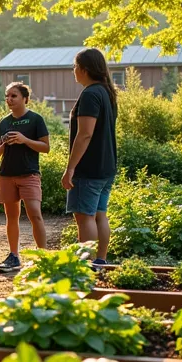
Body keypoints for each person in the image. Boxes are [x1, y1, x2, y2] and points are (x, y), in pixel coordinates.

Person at [62, 47, 118, 266]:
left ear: (84, 69)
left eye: (75, 67)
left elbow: (85, 134)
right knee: (99, 215)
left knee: (85, 218)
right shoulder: (106, 92)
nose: (73, 71)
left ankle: (86, 266)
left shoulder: (90, 94)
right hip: (106, 167)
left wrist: (70, 168)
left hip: (89, 168)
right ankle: (100, 261)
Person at [0, 82, 50, 273]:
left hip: (29, 174)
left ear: (25, 98)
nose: (9, 99)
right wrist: (3, 144)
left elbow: (46, 147)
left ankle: (43, 257)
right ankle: (14, 256)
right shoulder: (3, 122)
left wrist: (24, 140)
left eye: (13, 96)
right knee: (11, 217)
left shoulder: (35, 119)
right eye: (7, 96)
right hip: (7, 175)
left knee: (35, 214)